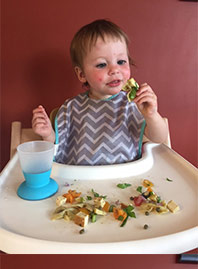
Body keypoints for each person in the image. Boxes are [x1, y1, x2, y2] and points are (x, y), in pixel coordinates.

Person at [32, 19, 168, 166]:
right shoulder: (72, 108)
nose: (114, 70)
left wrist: (151, 115)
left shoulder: (133, 104)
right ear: (82, 74)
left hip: (126, 178)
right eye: (102, 64)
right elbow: (59, 145)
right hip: (79, 182)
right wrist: (47, 135)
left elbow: (158, 138)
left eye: (121, 62)